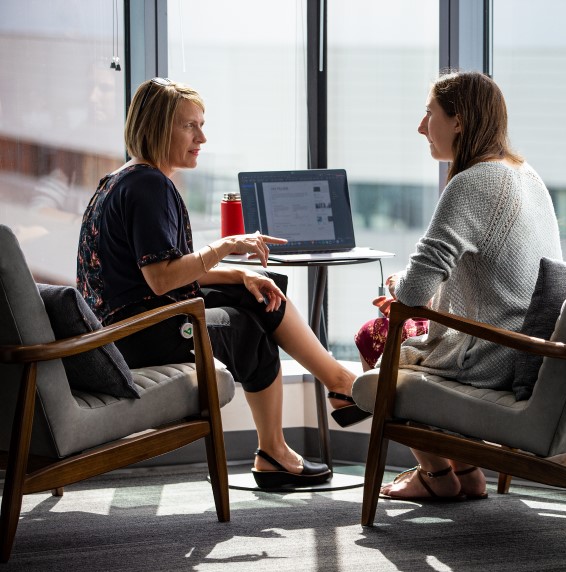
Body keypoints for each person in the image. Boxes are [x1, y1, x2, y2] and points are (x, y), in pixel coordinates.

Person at [76, 77, 357, 488]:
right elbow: (161, 279)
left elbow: (165, 267)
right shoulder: (150, 186)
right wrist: (225, 247)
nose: (202, 137)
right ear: (158, 127)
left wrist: (241, 272)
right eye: (190, 126)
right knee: (250, 327)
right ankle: (278, 449)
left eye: (201, 125)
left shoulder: (120, 180)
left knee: (257, 287)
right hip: (140, 334)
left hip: (126, 326)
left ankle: (336, 382)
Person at [350, 71, 564, 501]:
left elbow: (412, 294)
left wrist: (399, 288)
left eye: (429, 114)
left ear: (459, 121)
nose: (420, 126)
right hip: (527, 345)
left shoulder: (471, 182)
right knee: (402, 326)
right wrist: (415, 292)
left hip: (490, 354)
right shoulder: (526, 175)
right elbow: (495, 277)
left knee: (373, 335)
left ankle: (434, 475)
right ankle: (466, 471)